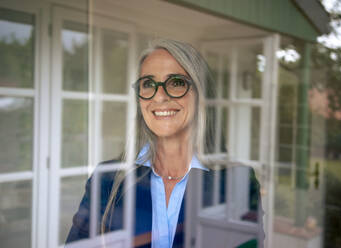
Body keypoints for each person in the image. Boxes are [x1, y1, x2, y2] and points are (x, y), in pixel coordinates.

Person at [65, 39, 263, 248]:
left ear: (201, 94)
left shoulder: (238, 182)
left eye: (176, 82)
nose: (159, 97)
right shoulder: (107, 179)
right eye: (148, 84)